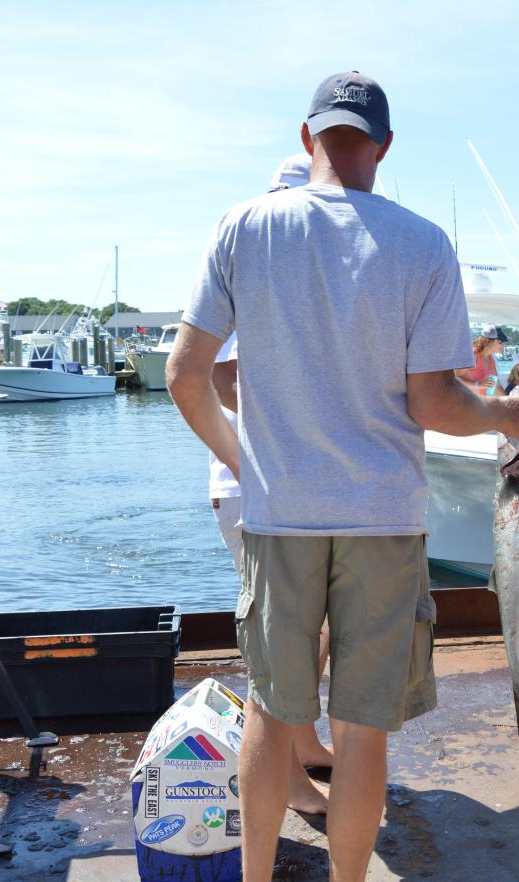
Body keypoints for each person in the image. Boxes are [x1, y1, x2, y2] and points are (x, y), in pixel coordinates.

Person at [167, 71, 519, 882]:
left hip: (278, 517)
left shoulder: (245, 226)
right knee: (361, 729)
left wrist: (243, 458)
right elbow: (433, 404)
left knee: (269, 708)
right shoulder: (421, 243)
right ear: (383, 145)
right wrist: (505, 416)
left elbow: (186, 374)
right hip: (381, 519)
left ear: (308, 138)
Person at [209, 153, 333, 817]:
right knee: (284, 642)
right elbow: (214, 376)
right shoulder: (257, 269)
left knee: (310, 631)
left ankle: (302, 744)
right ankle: (283, 773)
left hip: (279, 489)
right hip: (257, 488)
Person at [459, 324, 508, 394]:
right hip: (464, 401)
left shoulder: (491, 359)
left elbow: (497, 386)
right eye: (500, 342)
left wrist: (508, 401)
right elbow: (454, 379)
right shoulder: (472, 355)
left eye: (504, 342)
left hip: (479, 402)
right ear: (488, 341)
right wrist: (477, 385)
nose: (503, 345)